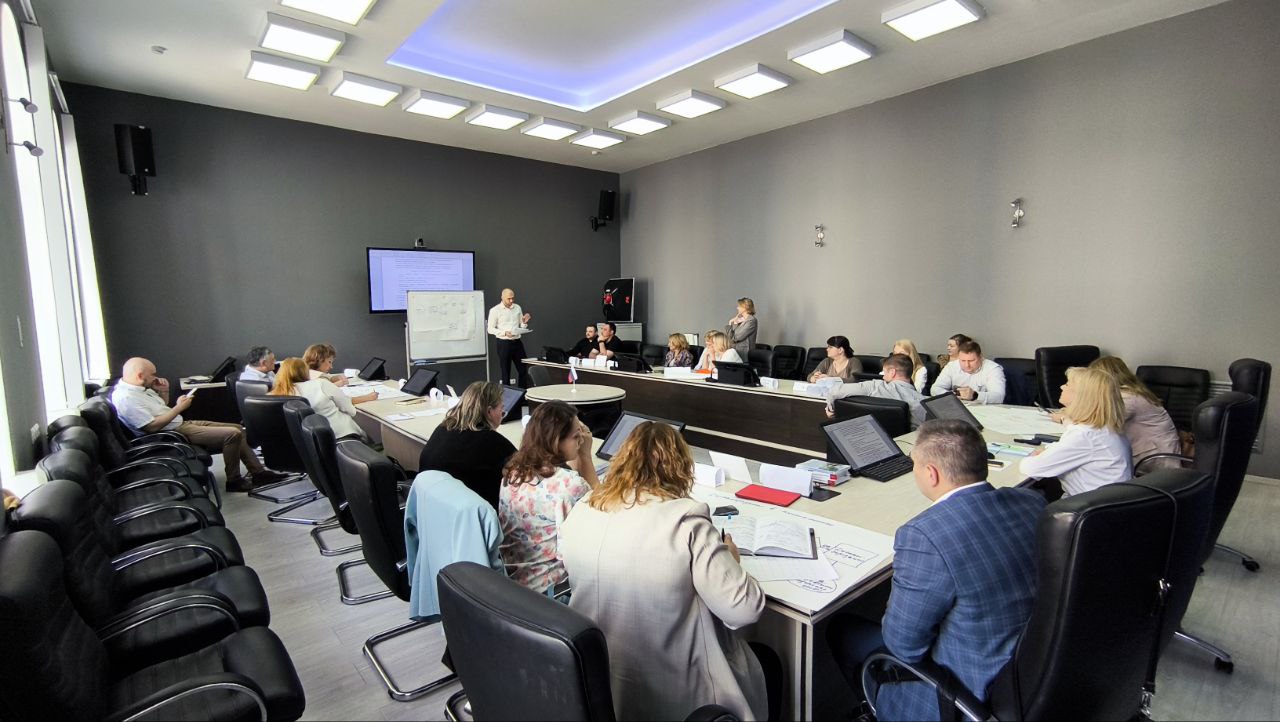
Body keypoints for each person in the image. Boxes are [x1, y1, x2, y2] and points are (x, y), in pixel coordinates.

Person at [826, 419, 1044, 722]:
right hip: (1030, 667)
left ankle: (882, 708)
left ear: (931, 473)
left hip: (966, 692)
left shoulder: (925, 535)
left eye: (914, 465)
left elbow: (904, 647)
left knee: (843, 629)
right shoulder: (1032, 502)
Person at [560, 421, 779, 722]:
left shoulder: (583, 508)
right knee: (768, 662)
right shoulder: (686, 519)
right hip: (682, 694)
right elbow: (744, 610)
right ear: (680, 467)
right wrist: (733, 562)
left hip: (604, 683)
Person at [111, 357, 289, 492]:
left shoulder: (139, 390)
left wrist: (165, 393)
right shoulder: (127, 398)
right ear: (140, 376)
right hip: (173, 432)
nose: (155, 378)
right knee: (232, 434)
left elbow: (160, 410)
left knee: (237, 428)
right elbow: (151, 427)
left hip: (178, 423)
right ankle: (234, 481)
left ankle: (258, 473)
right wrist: (179, 408)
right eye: (152, 374)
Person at [499, 400, 598, 595]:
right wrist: (585, 456)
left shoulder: (513, 473)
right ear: (555, 441)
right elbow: (603, 512)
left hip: (513, 581)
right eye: (576, 436)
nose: (581, 440)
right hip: (552, 590)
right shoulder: (570, 485)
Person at [1021, 366, 1133, 497]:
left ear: (1081, 396)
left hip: (1086, 506)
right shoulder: (1104, 428)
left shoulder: (1084, 435)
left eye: (1067, 384)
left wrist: (1034, 455)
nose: (1062, 387)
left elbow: (1030, 469)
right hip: (1107, 502)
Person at [417, 381, 517, 510]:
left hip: (430, 510)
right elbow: (526, 470)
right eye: (501, 410)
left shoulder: (442, 428)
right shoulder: (492, 441)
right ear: (489, 411)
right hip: (473, 516)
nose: (502, 415)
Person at [1089, 356, 1181, 468]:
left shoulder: (1128, 397)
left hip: (1155, 460)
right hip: (1146, 453)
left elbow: (1100, 423)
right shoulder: (1130, 391)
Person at [270, 357, 374, 441]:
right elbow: (349, 409)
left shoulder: (274, 395)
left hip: (306, 442)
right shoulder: (320, 384)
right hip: (341, 435)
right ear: (305, 371)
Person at [825, 353, 926, 427]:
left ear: (892, 372)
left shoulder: (875, 386)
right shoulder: (925, 402)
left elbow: (835, 391)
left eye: (885, 373)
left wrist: (831, 409)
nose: (883, 377)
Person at [930, 340, 1006, 404]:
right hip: (957, 407)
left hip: (984, 409)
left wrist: (975, 395)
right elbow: (935, 388)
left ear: (980, 357)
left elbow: (999, 397)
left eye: (971, 360)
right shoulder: (951, 366)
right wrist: (952, 395)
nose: (967, 365)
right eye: (963, 360)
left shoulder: (993, 369)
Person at [487, 288, 532, 386]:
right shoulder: (495, 310)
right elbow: (490, 329)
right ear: (502, 297)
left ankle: (522, 393)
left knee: (524, 369)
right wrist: (504, 333)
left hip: (517, 342)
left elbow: (521, 325)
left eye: (513, 298)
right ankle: (508, 395)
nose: (511, 301)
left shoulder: (517, 307)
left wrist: (524, 323)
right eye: (509, 298)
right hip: (504, 343)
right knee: (506, 373)